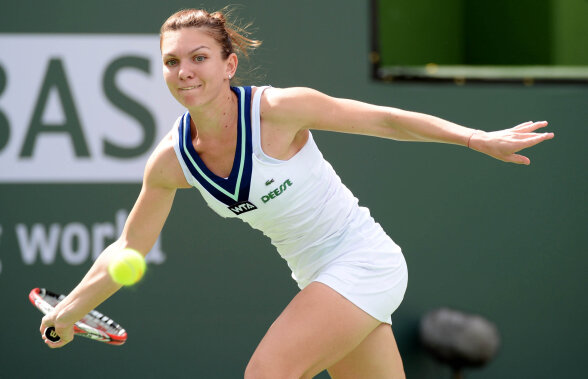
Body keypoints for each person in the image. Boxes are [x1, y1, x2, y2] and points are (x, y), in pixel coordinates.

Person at [39, 7, 554, 379]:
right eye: (172, 62)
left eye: (198, 58)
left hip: (364, 261)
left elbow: (387, 120)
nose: (185, 72)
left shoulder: (280, 110)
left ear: (229, 64)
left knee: (267, 373)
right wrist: (67, 313)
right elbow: (129, 249)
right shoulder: (170, 162)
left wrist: (473, 138)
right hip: (316, 278)